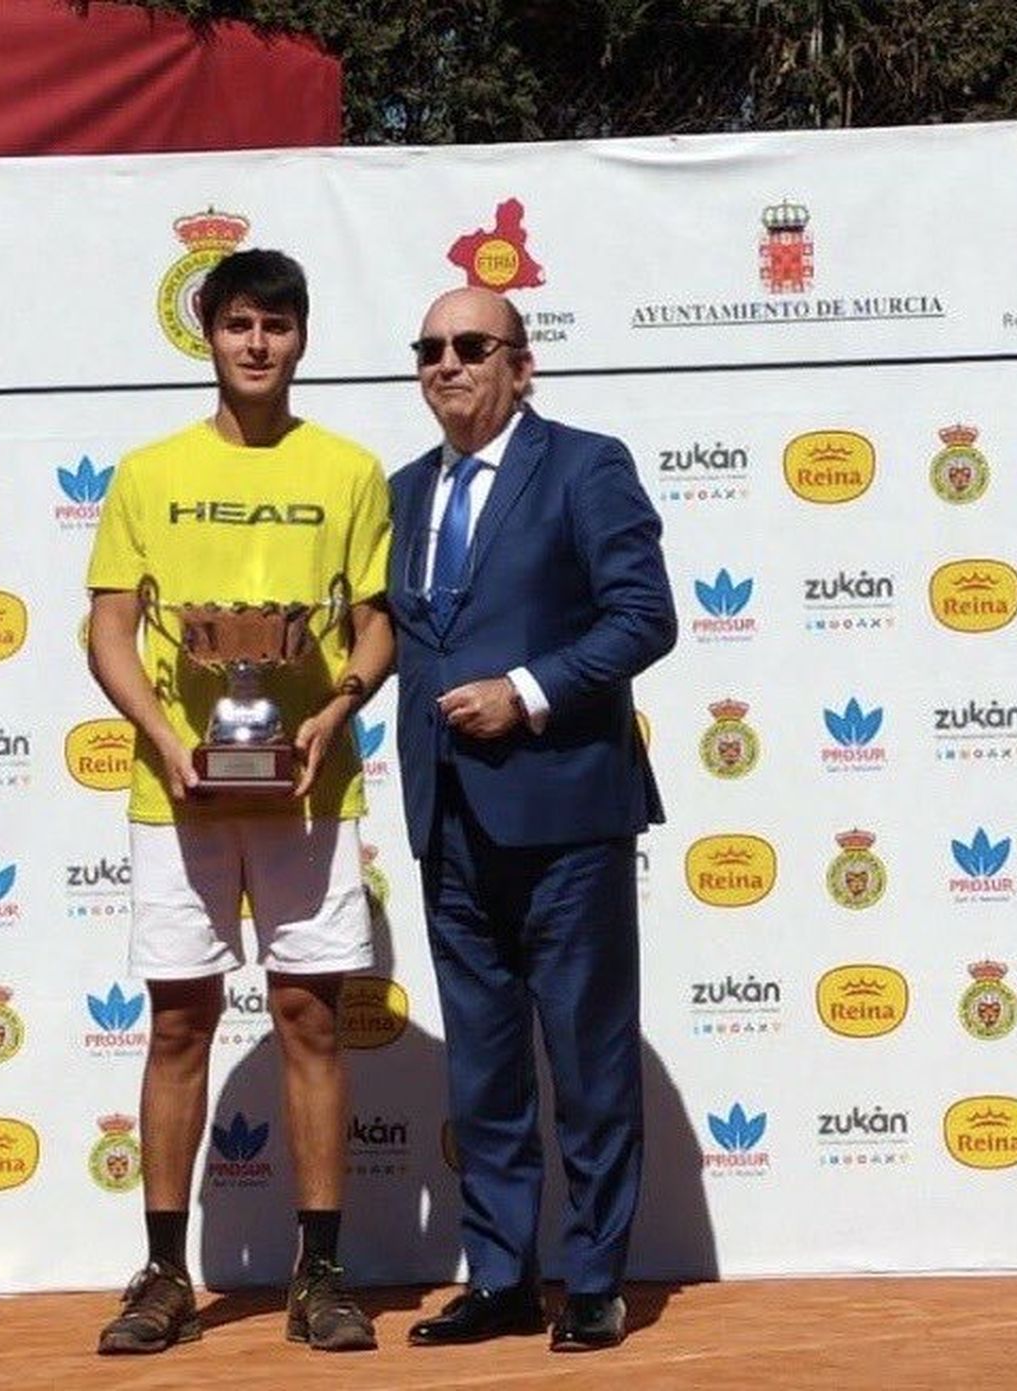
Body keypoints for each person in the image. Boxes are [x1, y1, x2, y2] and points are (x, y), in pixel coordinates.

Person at [85, 249, 394, 1355]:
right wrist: (167, 739)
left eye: (277, 325)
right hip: (177, 789)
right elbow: (109, 627)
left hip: (308, 784)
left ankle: (322, 1272)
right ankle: (165, 1272)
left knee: (309, 1016)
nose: (257, 344)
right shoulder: (147, 472)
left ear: (301, 338)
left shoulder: (350, 470)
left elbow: (375, 624)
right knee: (179, 1020)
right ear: (208, 335)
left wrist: (334, 709)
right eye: (238, 324)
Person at [387, 286, 677, 1353]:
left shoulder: (585, 466)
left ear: (521, 364)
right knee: (483, 1066)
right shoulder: (402, 491)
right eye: (430, 347)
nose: (448, 362)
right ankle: (502, 1276)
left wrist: (528, 690)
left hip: (566, 814)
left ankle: (594, 1277)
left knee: (589, 1057)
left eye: (473, 345)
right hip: (448, 815)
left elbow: (644, 616)